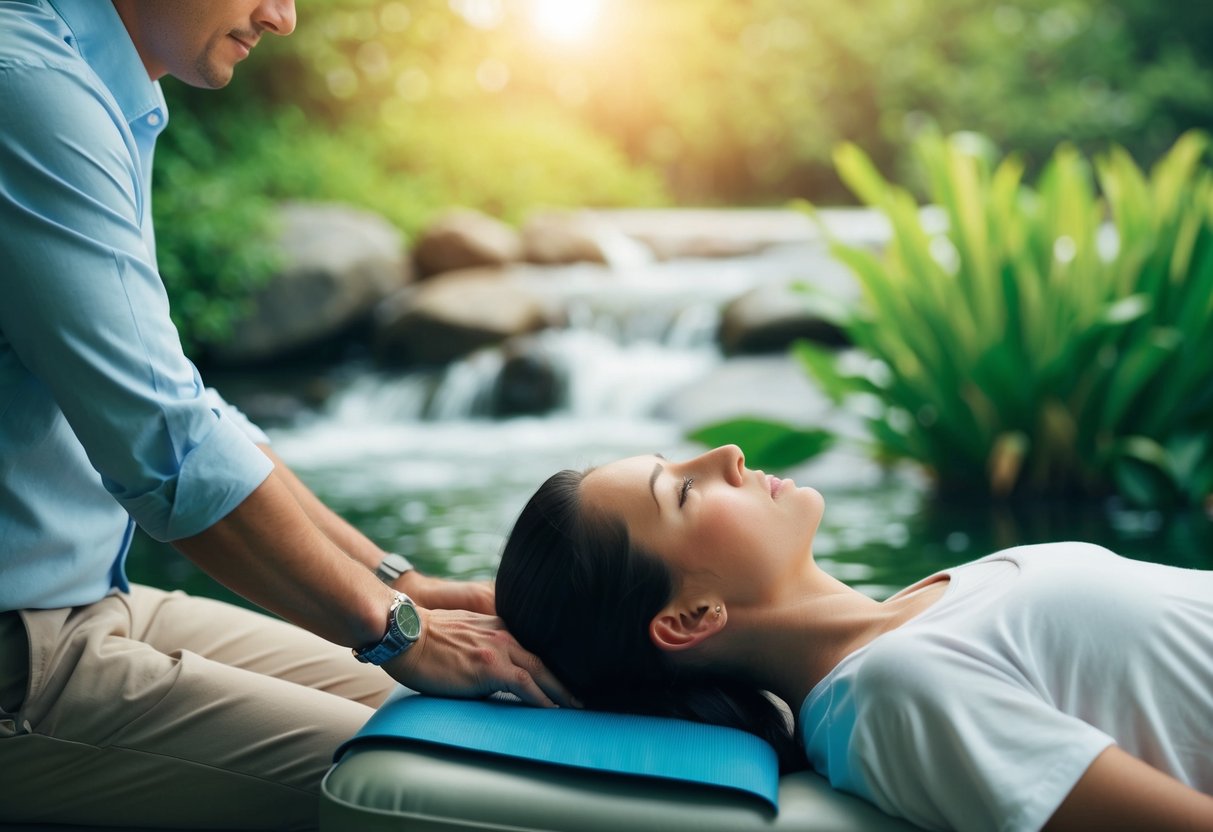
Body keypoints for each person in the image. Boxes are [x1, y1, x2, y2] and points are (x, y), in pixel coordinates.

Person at [0, 1, 570, 828]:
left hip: (87, 602)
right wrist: (401, 634)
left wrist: (397, 586)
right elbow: (167, 448)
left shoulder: (91, 84)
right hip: (19, 653)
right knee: (457, 786)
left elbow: (189, 409)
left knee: (507, 715)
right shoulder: (29, 89)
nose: (283, 16)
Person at [496, 444, 1213, 832]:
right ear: (689, 618)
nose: (727, 454)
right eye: (681, 492)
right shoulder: (898, 690)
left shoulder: (920, 609)